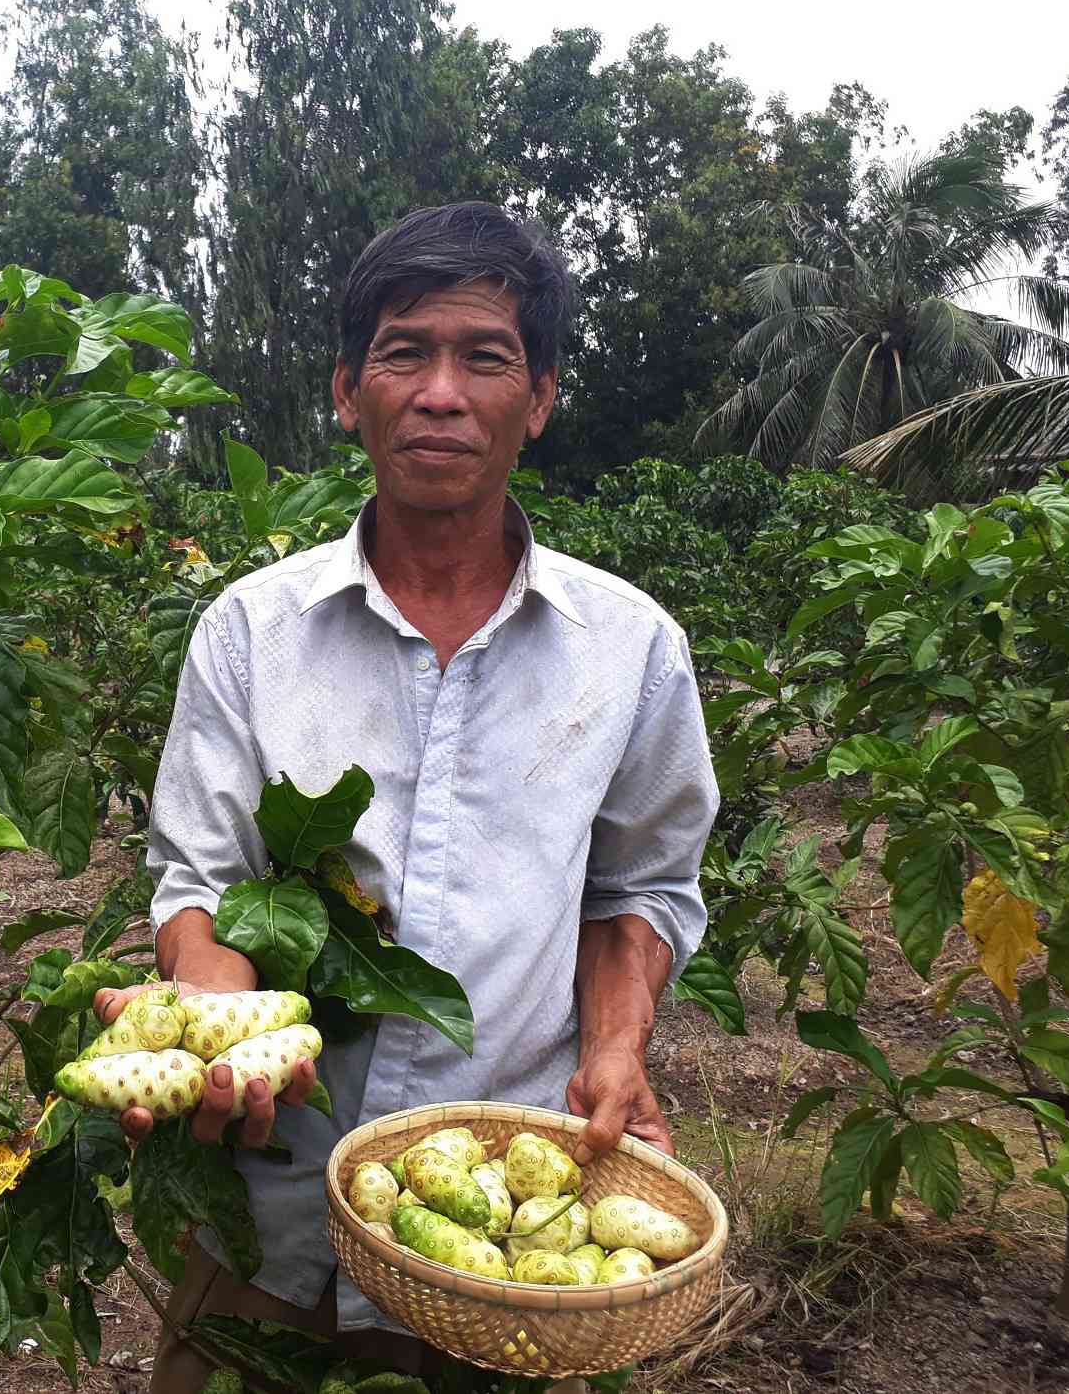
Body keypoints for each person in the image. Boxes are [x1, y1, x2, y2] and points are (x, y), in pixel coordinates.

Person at [94, 202, 719, 1391]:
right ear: (347, 388)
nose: (441, 391)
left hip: (504, 1231)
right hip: (265, 1212)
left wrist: (618, 1044)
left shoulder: (629, 649)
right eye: (404, 352)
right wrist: (209, 1012)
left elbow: (640, 886)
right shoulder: (249, 634)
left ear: (536, 398)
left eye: (484, 356)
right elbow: (203, 879)